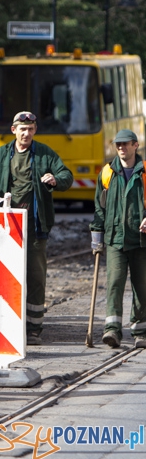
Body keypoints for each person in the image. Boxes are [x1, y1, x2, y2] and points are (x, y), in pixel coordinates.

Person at [0, 111, 73, 345]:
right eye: (22, 129)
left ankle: (33, 329)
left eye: (31, 129)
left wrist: (55, 179)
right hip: (7, 222)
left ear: (35, 130)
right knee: (4, 272)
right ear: (13, 130)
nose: (26, 133)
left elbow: (66, 175)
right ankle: (5, 323)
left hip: (34, 224)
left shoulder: (43, 153)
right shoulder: (2, 154)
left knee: (35, 275)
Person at [90, 129, 146, 349]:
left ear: (135, 145)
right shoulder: (107, 173)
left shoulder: (144, 173)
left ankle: (141, 330)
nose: (121, 148)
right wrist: (97, 236)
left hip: (141, 241)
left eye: (125, 144)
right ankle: (112, 330)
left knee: (141, 286)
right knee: (114, 284)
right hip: (115, 239)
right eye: (118, 145)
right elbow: (99, 208)